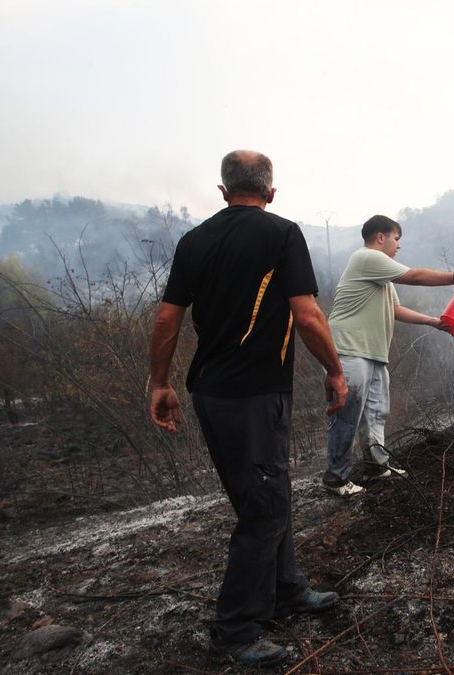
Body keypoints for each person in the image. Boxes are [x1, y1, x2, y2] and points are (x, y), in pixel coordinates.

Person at [147, 150, 349, 667]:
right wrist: (334, 369)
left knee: (272, 493)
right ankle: (234, 632)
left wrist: (159, 383)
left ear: (222, 190)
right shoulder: (282, 234)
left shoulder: (194, 241)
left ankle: (286, 589)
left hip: (212, 394)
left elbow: (167, 320)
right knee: (262, 508)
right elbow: (307, 316)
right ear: (271, 191)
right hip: (254, 395)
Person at [322, 214, 454, 496]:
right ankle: (336, 479)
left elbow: (395, 310)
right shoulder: (366, 258)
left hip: (373, 353)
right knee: (348, 414)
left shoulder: (382, 277)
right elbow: (414, 275)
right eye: (396, 238)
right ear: (380, 237)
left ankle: (376, 466)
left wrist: (432, 321)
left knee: (377, 412)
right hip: (349, 349)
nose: (398, 245)